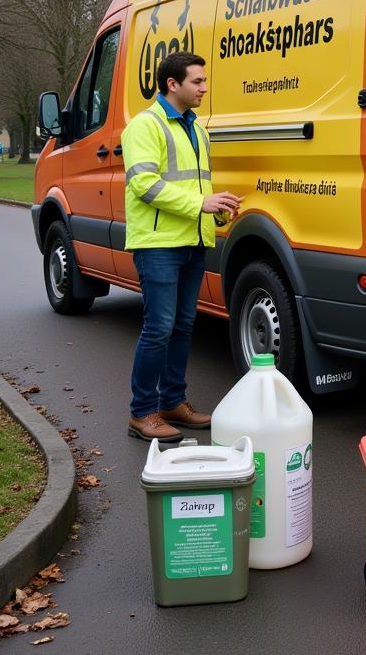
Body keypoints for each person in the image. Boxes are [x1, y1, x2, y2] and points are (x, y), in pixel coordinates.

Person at [122, 51, 242, 442]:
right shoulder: (145, 126)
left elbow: (195, 185)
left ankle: (173, 402)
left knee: (182, 326)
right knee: (158, 327)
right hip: (157, 243)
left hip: (193, 239)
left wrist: (216, 207)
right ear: (172, 84)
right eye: (197, 82)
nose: (204, 88)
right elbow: (144, 184)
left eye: (204, 81)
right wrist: (199, 203)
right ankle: (142, 413)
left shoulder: (197, 128)